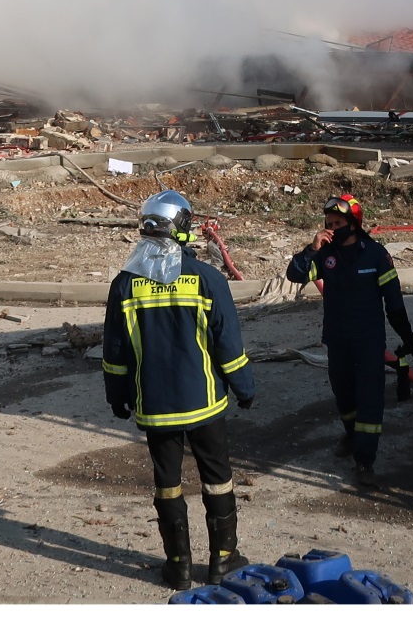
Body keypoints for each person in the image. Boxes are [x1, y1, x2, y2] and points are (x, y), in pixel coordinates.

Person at [103, 190, 256, 591]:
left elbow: (116, 350)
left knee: (167, 482)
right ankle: (224, 560)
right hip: (204, 402)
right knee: (217, 478)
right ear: (183, 229)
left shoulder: (124, 284)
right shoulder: (207, 279)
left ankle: (178, 566)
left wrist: (116, 394)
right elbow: (228, 343)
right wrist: (244, 387)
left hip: (155, 406)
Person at [284, 194, 413, 487]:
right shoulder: (324, 254)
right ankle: (351, 433)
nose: (332, 228)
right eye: (328, 223)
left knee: (369, 400)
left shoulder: (375, 254)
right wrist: (311, 248)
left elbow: (394, 302)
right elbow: (294, 274)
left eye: (338, 223)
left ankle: (364, 461)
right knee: (344, 395)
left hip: (369, 341)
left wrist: (408, 337)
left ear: (354, 224)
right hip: (337, 340)